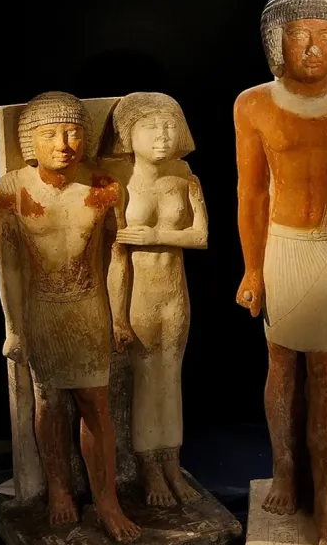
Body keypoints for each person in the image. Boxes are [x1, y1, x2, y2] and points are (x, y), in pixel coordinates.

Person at [234, 0, 327, 545]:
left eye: (325, 35)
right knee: (280, 370)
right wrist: (252, 270)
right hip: (282, 247)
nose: (313, 47)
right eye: (300, 34)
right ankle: (285, 473)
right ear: (277, 41)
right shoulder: (253, 104)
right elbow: (251, 193)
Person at [0, 92, 141, 542]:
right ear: (30, 142)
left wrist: (119, 317)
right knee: (50, 402)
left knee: (95, 403)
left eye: (73, 132)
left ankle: (107, 501)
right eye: (51, 134)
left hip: (88, 306)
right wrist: (14, 328)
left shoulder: (104, 187)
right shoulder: (10, 191)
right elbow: (9, 265)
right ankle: (59, 490)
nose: (63, 144)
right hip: (42, 309)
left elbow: (117, 257)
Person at [103, 92, 208, 507]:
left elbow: (201, 236)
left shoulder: (184, 175)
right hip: (138, 296)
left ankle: (172, 463)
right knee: (147, 381)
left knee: (172, 376)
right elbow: (116, 257)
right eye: (151, 128)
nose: (162, 136)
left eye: (169, 127)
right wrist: (118, 317)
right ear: (129, 135)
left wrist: (156, 236)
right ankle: (149, 468)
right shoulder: (118, 181)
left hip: (175, 292)